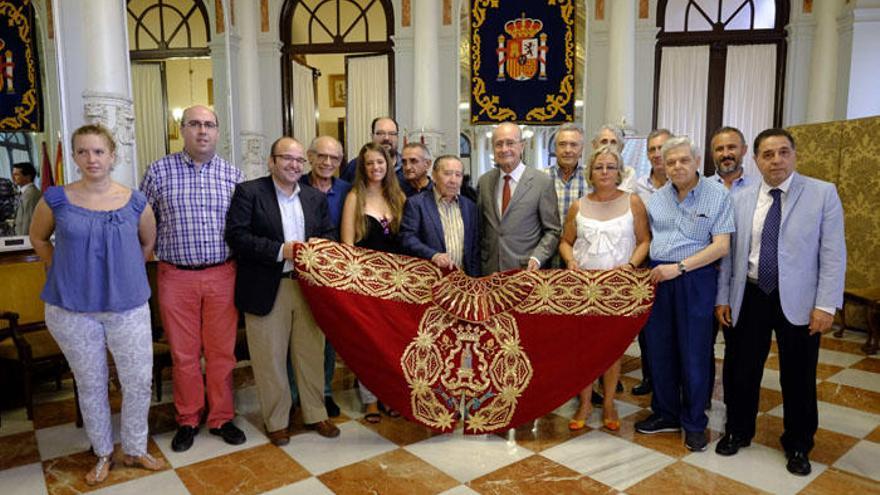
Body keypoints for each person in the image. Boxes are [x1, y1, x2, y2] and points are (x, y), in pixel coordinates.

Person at [29, 125, 165, 485]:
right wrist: (66, 269)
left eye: (99, 151)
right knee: (91, 383)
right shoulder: (55, 199)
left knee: (137, 380)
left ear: (112, 155)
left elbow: (146, 243)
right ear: (74, 156)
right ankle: (103, 452)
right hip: (71, 309)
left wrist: (120, 274)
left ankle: (135, 447)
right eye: (84, 152)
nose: (92, 159)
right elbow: (39, 239)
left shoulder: (136, 200)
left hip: (129, 305)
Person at [715, 128, 845, 476]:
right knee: (741, 369)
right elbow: (729, 254)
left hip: (801, 301)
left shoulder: (822, 194)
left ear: (794, 155)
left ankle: (799, 443)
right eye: (768, 154)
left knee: (798, 375)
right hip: (751, 293)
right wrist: (723, 297)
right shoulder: (739, 198)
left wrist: (826, 305)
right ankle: (738, 430)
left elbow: (833, 254)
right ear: (755, 159)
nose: (776, 160)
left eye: (783, 152)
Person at [140, 105, 246, 452]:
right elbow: (142, 221)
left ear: (218, 132)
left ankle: (221, 417)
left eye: (209, 125)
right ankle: (188, 418)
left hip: (221, 275)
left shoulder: (233, 176)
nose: (202, 131)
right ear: (181, 129)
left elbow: (242, 227)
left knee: (221, 353)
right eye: (195, 124)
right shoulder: (158, 172)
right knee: (183, 354)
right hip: (176, 277)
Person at [226, 137, 340, 446]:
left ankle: (316, 413)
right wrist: (281, 250)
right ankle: (277, 420)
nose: (293, 165)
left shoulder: (315, 198)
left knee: (311, 355)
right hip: (267, 287)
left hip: (307, 288)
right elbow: (237, 236)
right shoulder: (249, 192)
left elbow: (328, 233)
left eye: (298, 160)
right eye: (286, 158)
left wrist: (320, 245)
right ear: (271, 161)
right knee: (270, 358)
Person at [634, 136, 734, 453]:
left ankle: (694, 423)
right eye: (671, 161)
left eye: (684, 160)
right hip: (658, 278)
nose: (677, 166)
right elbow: (648, 238)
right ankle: (665, 413)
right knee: (659, 351)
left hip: (694, 277)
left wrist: (679, 267)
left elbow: (721, 246)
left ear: (696, 160)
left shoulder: (717, 195)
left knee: (693, 353)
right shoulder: (657, 199)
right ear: (663, 164)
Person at [559, 145, 650, 432]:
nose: (605, 172)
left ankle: (609, 403)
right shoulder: (579, 205)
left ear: (619, 172)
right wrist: (571, 260)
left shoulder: (633, 202)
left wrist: (631, 266)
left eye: (610, 166)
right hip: (585, 287)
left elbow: (644, 240)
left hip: (617, 287)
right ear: (590, 172)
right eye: (599, 167)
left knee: (612, 350)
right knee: (583, 350)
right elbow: (565, 241)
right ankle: (585, 403)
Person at [340, 142, 406, 422]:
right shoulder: (354, 197)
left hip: (398, 285)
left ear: (388, 165)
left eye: (380, 162)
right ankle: (370, 400)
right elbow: (347, 245)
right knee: (370, 344)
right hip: (366, 284)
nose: (375, 167)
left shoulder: (398, 197)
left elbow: (407, 242)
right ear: (362, 167)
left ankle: (391, 395)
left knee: (394, 345)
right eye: (369, 163)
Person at [294, 135, 351, 418]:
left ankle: (324, 392)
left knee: (327, 337)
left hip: (333, 276)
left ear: (341, 161)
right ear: (310, 156)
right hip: (295, 273)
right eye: (322, 156)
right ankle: (295, 395)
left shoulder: (347, 190)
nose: (328, 163)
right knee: (296, 337)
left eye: (334, 158)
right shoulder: (294, 183)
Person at [477, 122, 561, 274]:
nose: (504, 149)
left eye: (510, 143)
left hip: (526, 271)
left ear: (522, 146)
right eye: (499, 144)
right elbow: (481, 227)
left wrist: (537, 258)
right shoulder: (484, 182)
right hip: (490, 272)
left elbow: (552, 231)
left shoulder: (542, 183)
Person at [631, 128, 671, 396]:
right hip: (645, 264)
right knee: (648, 328)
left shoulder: (685, 183)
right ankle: (650, 377)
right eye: (652, 149)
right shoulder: (637, 187)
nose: (657, 154)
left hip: (676, 264)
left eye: (662, 148)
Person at [400, 154, 479, 276]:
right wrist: (433, 255)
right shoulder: (417, 204)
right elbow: (407, 238)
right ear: (434, 176)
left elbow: (474, 248)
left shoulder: (470, 207)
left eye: (458, 175)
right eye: (447, 173)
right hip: (429, 280)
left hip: (463, 281)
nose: (453, 180)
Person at [546, 124, 589, 267]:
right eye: (562, 144)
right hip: (548, 258)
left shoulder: (592, 179)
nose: (568, 150)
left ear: (581, 149)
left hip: (582, 258)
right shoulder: (541, 178)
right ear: (555, 148)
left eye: (573, 145)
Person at [340, 117, 404, 185]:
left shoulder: (406, 166)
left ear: (397, 137)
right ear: (372, 136)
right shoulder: (355, 166)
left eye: (392, 133)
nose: (386, 138)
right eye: (380, 133)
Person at [591, 124, 636, 191]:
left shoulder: (629, 174)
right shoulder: (586, 173)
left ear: (621, 148)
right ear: (594, 145)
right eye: (604, 142)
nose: (608, 146)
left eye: (613, 142)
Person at [711, 126, 755, 191]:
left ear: (744, 150)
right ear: (712, 153)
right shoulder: (701, 188)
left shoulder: (758, 186)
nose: (726, 154)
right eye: (719, 149)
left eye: (731, 147)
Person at [12, 162, 41, 236]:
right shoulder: (25, 193)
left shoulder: (30, 195)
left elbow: (28, 222)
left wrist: (23, 244)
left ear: (28, 177)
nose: (13, 178)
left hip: (25, 241)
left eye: (16, 175)